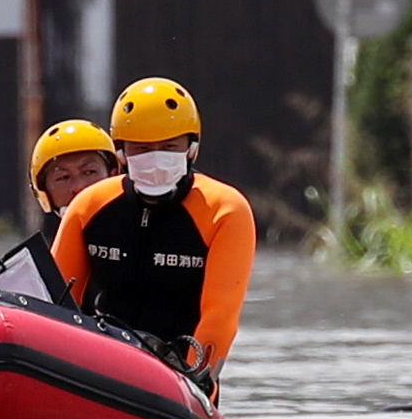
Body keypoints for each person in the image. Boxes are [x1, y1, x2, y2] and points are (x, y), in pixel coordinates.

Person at [49, 78, 256, 388]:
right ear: (121, 153)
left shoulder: (224, 210)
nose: (156, 157)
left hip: (178, 377)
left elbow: (219, 317)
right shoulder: (88, 206)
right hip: (99, 368)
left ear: (192, 149)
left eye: (170, 147)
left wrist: (195, 382)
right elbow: (52, 304)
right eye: (142, 149)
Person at [28, 119, 120, 239]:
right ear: (44, 191)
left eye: (89, 172)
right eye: (63, 177)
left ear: (113, 175)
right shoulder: (36, 256)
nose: (79, 187)